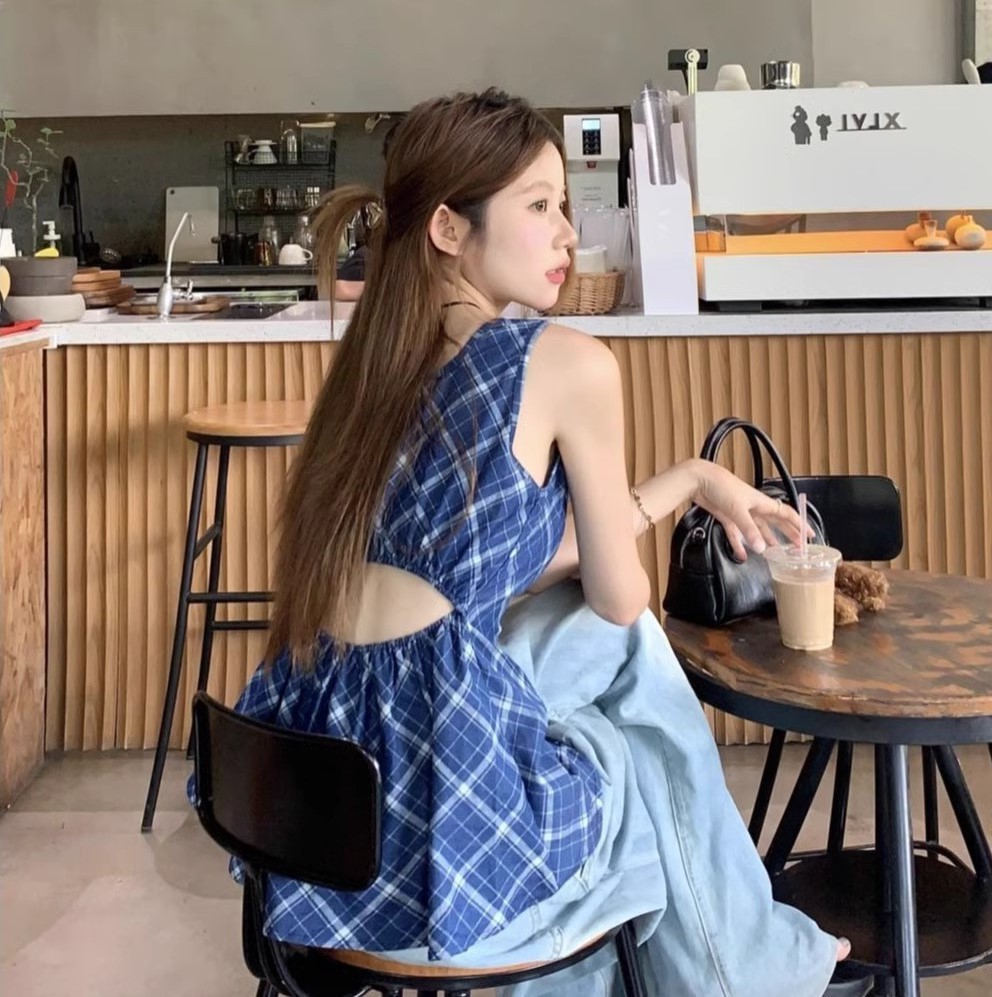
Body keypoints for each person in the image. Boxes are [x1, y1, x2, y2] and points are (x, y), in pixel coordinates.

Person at [206, 88, 861, 996]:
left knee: (601, 671)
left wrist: (691, 479)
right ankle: (747, 966)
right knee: (631, 701)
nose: (567, 233)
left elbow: (474, 561)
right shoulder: (563, 361)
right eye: (540, 205)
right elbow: (620, 597)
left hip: (322, 787)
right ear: (448, 227)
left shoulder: (373, 366)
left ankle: (752, 958)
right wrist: (683, 491)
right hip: (434, 806)